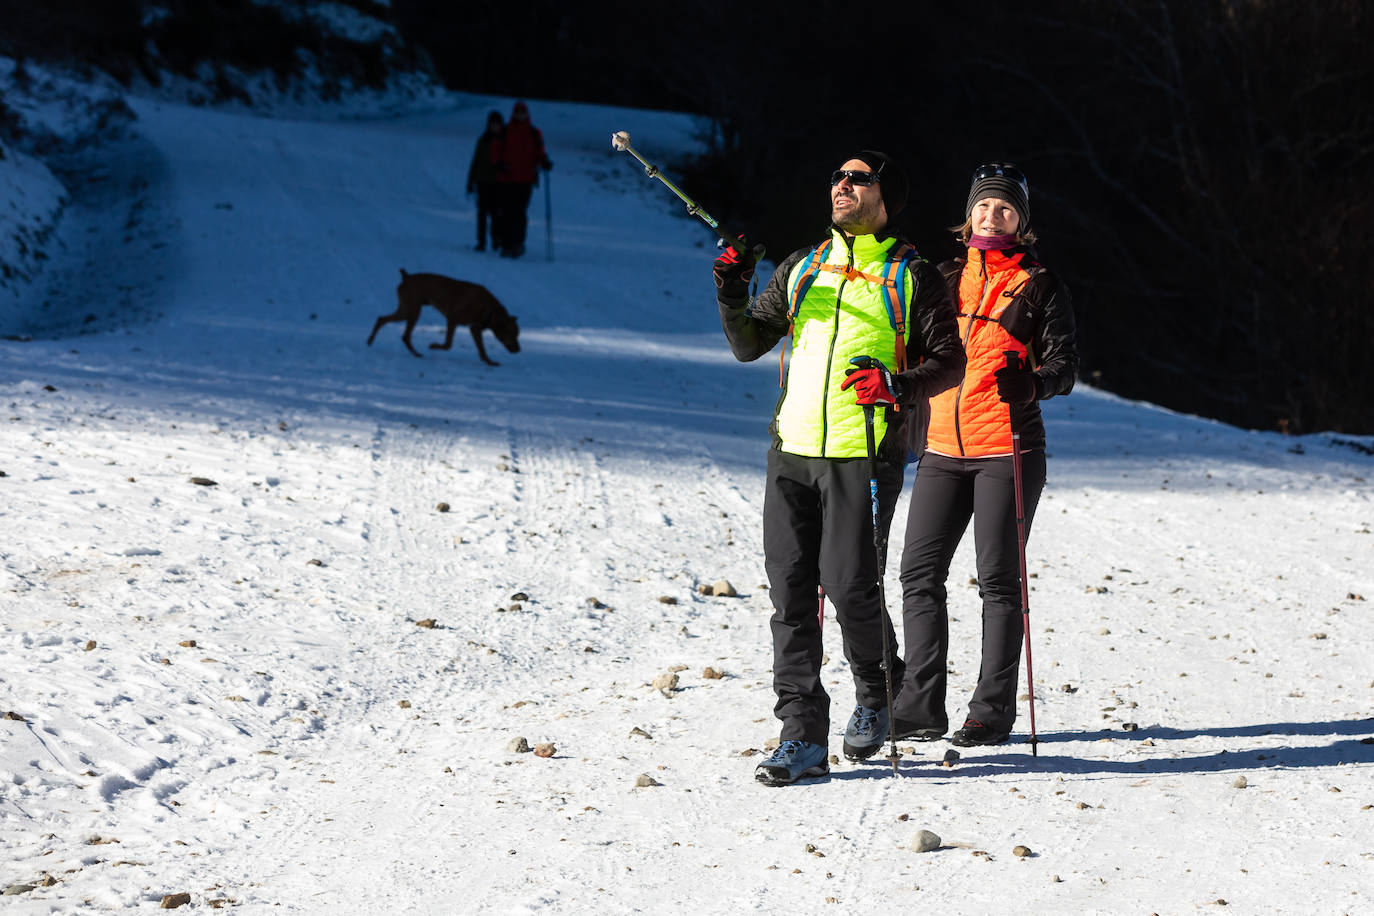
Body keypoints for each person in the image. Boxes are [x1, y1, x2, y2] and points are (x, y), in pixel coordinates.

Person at [713, 151, 965, 785]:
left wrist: (895, 384)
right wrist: (732, 285)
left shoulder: (912, 276)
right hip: (791, 451)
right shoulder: (803, 267)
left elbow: (949, 361)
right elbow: (748, 343)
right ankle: (801, 735)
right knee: (790, 590)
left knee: (850, 584)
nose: (842, 186)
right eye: (837, 177)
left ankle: (879, 692)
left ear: (886, 196)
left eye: (859, 178)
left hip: (864, 453)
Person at [889, 162, 1079, 748]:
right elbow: (912, 341)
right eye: (983, 207)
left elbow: (1065, 368)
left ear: (1021, 221)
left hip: (1009, 449)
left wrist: (1034, 382)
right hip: (942, 447)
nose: (992, 216)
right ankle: (919, 707)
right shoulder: (942, 276)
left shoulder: (1041, 284)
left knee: (998, 583)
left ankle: (990, 714)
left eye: (1005, 209)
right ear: (967, 214)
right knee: (918, 574)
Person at [490, 100, 551, 258]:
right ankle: (506, 243)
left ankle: (517, 243)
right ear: (514, 113)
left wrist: (544, 161)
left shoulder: (533, 133)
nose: (520, 115)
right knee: (507, 212)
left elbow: (539, 152)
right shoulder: (505, 131)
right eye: (518, 112)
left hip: (525, 179)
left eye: (522, 112)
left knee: (520, 213)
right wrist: (499, 164)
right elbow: (495, 150)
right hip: (507, 179)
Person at [466, 110, 504, 252]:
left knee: (496, 214)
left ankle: (496, 240)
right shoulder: (483, 140)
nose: (494, 127)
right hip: (483, 181)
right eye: (492, 124)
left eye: (497, 124)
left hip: (498, 182)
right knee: (482, 213)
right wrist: (471, 181)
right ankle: (481, 241)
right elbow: (475, 162)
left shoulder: (504, 141)